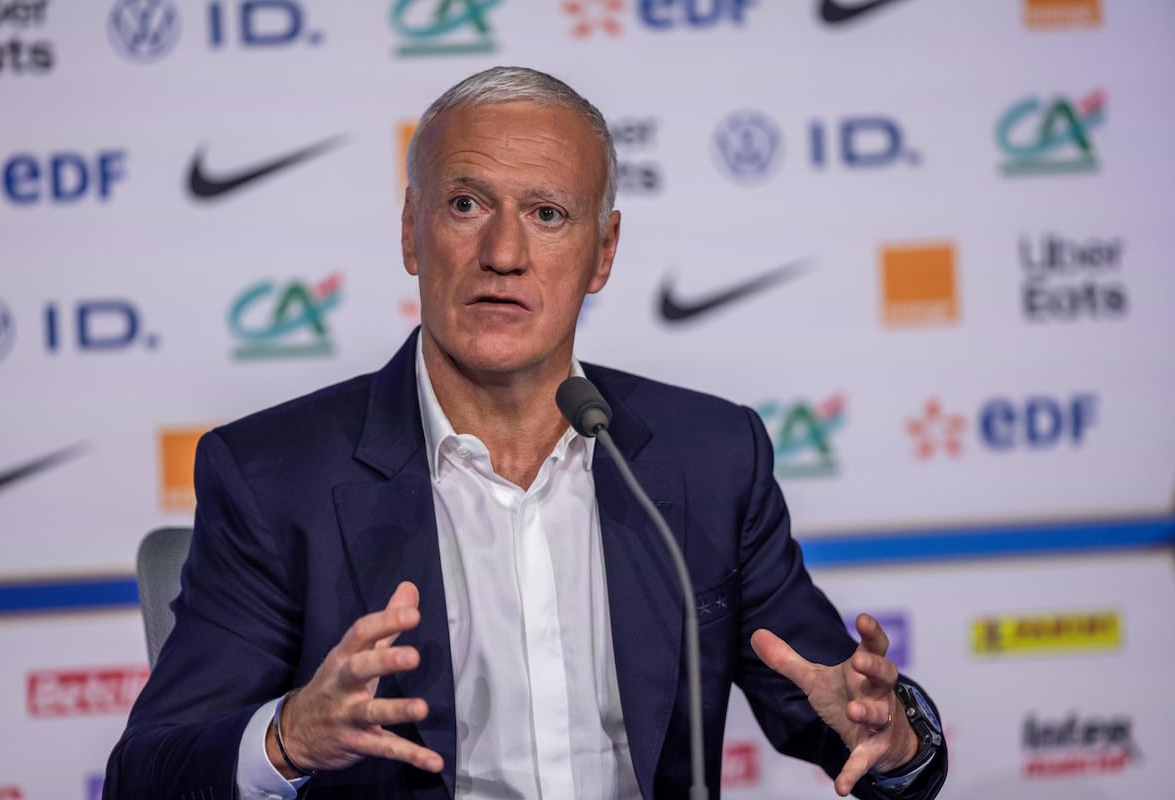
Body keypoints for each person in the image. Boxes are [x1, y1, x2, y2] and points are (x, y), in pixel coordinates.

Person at [104, 66, 947, 800]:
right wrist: (286, 738)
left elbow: (849, 710)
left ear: (603, 251)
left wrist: (894, 735)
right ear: (410, 231)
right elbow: (146, 774)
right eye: (466, 204)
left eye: (547, 213)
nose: (503, 252)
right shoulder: (273, 477)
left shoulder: (709, 459)